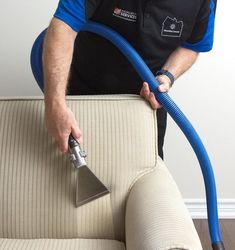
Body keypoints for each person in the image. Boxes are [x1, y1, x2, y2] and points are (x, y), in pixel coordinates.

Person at [43, 0, 216, 158]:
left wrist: (167, 76)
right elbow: (63, 27)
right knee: (73, 177)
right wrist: (55, 105)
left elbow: (192, 46)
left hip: (147, 102)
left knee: (145, 173)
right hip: (84, 96)